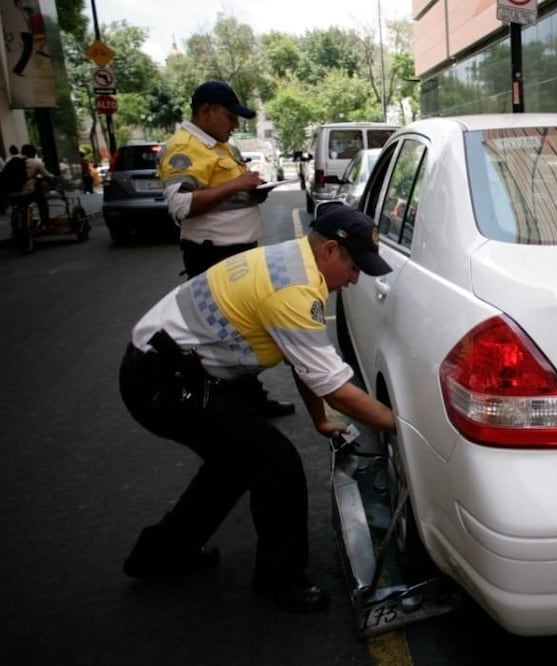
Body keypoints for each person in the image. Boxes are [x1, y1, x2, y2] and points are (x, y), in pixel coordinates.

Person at [119, 204, 396, 613]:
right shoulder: (293, 291)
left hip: (171, 370)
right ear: (331, 252)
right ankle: (279, 580)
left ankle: (159, 553)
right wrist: (403, 427)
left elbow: (303, 360)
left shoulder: (294, 261)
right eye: (355, 267)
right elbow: (336, 388)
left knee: (233, 463)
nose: (354, 280)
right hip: (162, 382)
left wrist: (319, 418)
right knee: (275, 463)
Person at [158, 79, 293, 418]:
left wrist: (252, 192)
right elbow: (181, 205)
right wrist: (238, 183)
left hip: (238, 254)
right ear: (206, 111)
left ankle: (247, 402)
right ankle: (222, 408)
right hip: (214, 256)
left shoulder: (220, 146)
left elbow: (226, 194)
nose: (235, 124)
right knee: (227, 337)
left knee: (241, 334)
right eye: (230, 116)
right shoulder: (184, 148)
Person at [18, 143, 53, 224]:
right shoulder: (36, 162)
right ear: (33, 153)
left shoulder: (15, 161)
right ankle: (45, 223)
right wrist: (53, 186)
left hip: (14, 191)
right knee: (42, 202)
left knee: (21, 205)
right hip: (28, 191)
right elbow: (47, 177)